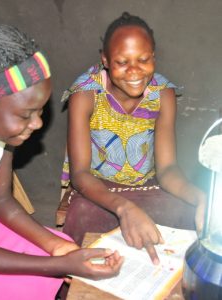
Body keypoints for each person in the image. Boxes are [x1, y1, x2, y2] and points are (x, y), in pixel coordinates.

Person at [0, 22, 123, 299]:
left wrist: (55, 248)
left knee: (61, 243)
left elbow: (0, 201)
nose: (37, 123)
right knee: (26, 283)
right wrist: (57, 264)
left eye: (40, 110)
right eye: (26, 114)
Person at [60, 12, 206, 264]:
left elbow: (168, 168)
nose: (134, 71)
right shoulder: (85, 94)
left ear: (154, 57)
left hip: (146, 186)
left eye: (143, 59)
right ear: (105, 60)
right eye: (122, 62)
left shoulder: (163, 95)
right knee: (82, 216)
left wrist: (202, 198)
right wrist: (124, 207)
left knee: (189, 213)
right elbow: (80, 174)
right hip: (97, 187)